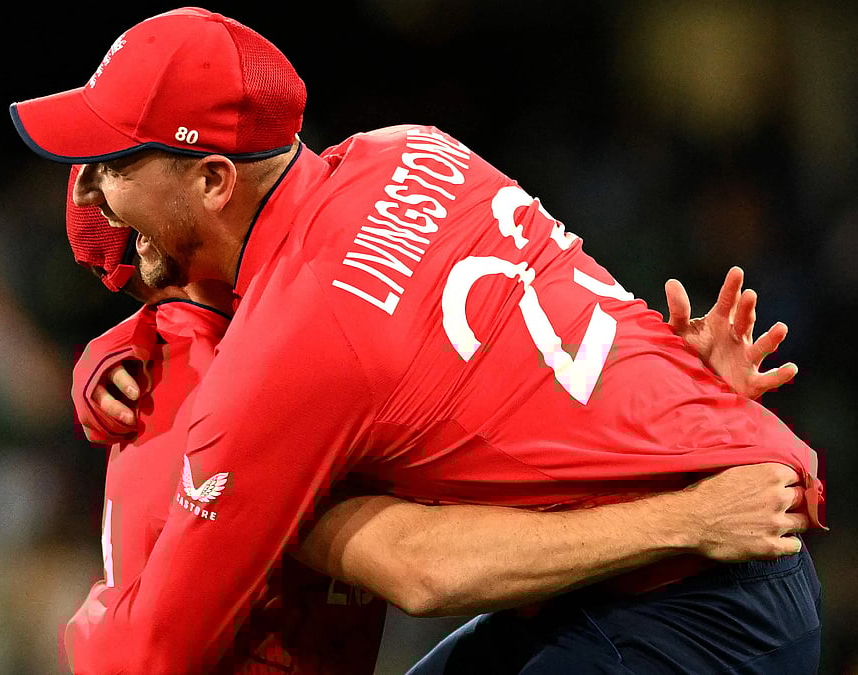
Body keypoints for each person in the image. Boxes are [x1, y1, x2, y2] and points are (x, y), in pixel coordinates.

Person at [9, 8, 826, 672]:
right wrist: (669, 394)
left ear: (216, 180)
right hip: (691, 554)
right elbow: (478, 355)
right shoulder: (409, 147)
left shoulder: (283, 361)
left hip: (694, 592)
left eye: (114, 163)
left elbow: (147, 655)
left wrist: (77, 615)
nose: (95, 189)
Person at [63, 167, 809, 675]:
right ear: (160, 243)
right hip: (695, 600)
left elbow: (477, 428)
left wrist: (652, 407)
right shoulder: (237, 401)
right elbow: (422, 568)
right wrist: (692, 515)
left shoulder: (276, 347)